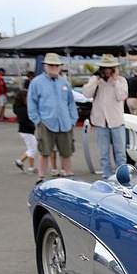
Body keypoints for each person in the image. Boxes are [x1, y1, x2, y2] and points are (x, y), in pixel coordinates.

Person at [27, 52, 78, 183]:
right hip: (45, 121)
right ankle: (41, 177)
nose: (54, 68)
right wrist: (37, 121)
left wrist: (73, 119)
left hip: (65, 122)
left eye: (56, 65)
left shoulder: (64, 82)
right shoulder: (36, 82)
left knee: (66, 151)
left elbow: (71, 102)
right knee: (44, 151)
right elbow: (31, 103)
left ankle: (68, 175)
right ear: (45, 66)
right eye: (51, 65)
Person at [83, 54, 128, 180]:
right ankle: (107, 175)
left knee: (120, 152)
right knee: (104, 152)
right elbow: (86, 93)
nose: (107, 71)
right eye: (105, 68)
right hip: (101, 121)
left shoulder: (120, 81)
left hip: (116, 121)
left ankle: (122, 176)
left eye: (110, 68)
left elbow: (122, 96)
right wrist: (95, 79)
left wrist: (114, 80)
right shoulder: (96, 81)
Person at [13, 89, 38, 173]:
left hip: (25, 130)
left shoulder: (19, 108)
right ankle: (30, 167)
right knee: (33, 148)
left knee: (32, 148)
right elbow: (23, 120)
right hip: (26, 130)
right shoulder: (22, 109)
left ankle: (20, 161)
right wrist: (33, 125)